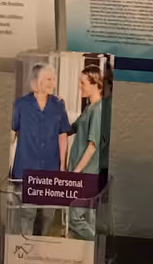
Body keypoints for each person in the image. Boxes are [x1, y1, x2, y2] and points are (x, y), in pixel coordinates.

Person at [64, 64, 110, 242]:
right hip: (82, 173)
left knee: (75, 219)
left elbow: (92, 146)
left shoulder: (98, 110)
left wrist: (76, 172)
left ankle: (98, 246)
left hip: (86, 173)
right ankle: (92, 253)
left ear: (96, 84)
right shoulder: (89, 108)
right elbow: (71, 129)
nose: (80, 86)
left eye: (83, 83)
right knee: (87, 218)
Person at [10, 62, 71, 179]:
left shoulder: (59, 104)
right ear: (36, 81)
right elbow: (12, 134)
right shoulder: (20, 105)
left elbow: (62, 136)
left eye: (54, 79)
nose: (53, 83)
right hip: (24, 169)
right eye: (49, 79)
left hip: (50, 169)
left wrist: (62, 165)